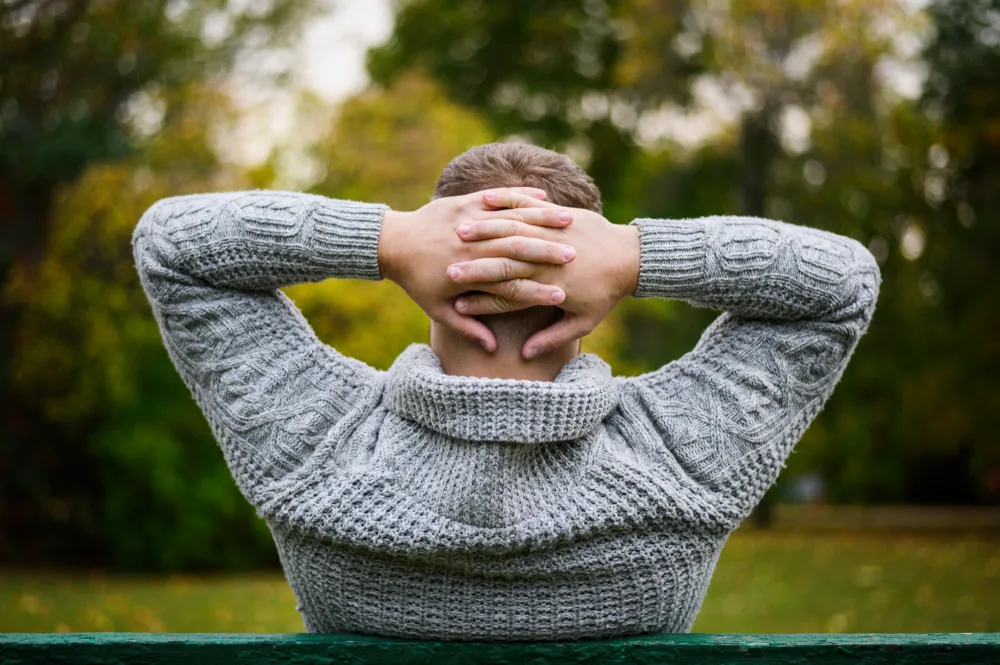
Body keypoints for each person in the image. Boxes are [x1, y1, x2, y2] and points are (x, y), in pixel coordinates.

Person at [132, 142, 880, 640]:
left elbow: (171, 242)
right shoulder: (682, 460)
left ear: (431, 278)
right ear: (584, 287)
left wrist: (388, 240)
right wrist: (632, 252)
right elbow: (843, 281)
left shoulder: (318, 451)